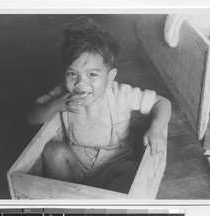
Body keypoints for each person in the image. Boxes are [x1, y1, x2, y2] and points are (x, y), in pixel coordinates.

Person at [28, 16, 172, 193]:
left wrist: (156, 129)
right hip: (76, 168)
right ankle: (69, 197)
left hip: (113, 165)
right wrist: (55, 105)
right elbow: (32, 117)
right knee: (53, 151)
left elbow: (162, 102)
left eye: (92, 75)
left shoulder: (121, 94)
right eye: (72, 73)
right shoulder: (62, 94)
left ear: (110, 76)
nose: (81, 83)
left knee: (132, 172)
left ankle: (106, 203)